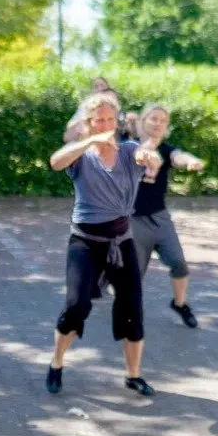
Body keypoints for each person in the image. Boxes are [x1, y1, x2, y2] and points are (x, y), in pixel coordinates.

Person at [45, 92, 163, 397]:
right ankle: (56, 362)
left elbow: (149, 157)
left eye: (110, 119)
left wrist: (150, 157)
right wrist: (89, 142)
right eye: (99, 120)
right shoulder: (81, 156)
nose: (106, 125)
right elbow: (55, 162)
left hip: (121, 241)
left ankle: (133, 375)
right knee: (76, 305)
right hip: (85, 241)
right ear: (88, 123)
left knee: (132, 308)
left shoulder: (128, 151)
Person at [131, 104, 205, 329]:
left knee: (179, 263)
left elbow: (177, 156)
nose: (158, 124)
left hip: (160, 218)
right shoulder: (129, 146)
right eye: (154, 119)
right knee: (134, 274)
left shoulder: (166, 149)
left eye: (163, 121)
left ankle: (179, 304)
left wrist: (190, 161)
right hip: (133, 220)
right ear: (143, 121)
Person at [64, 77, 137, 143]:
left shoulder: (121, 114)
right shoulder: (85, 107)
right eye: (96, 86)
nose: (99, 88)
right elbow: (69, 132)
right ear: (92, 90)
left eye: (102, 85)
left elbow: (132, 130)